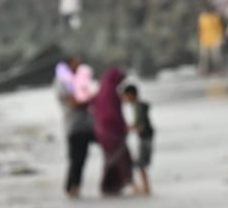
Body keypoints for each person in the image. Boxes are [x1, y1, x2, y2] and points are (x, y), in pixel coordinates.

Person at [55, 57, 95, 197]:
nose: (79, 65)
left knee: (81, 158)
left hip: (85, 125)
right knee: (76, 159)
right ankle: (71, 188)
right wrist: (94, 99)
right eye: (76, 63)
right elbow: (74, 103)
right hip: (74, 126)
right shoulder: (63, 82)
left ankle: (75, 188)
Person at [90, 67, 133, 196]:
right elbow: (113, 114)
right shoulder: (111, 93)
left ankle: (110, 187)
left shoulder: (101, 91)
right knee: (121, 158)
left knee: (110, 159)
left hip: (101, 131)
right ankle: (115, 185)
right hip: (112, 131)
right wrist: (122, 127)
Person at [121, 84, 154, 196]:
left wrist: (127, 129)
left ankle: (144, 187)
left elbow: (140, 124)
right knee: (141, 163)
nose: (124, 99)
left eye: (125, 96)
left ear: (130, 95)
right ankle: (145, 187)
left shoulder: (139, 106)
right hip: (145, 137)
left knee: (139, 163)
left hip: (145, 138)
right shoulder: (138, 105)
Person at [198, 4, 225, 75]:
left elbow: (220, 28)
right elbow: (200, 29)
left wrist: (221, 38)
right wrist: (200, 38)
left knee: (216, 57)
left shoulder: (216, 17)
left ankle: (218, 70)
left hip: (215, 40)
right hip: (205, 40)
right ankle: (204, 71)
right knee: (204, 57)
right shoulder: (202, 18)